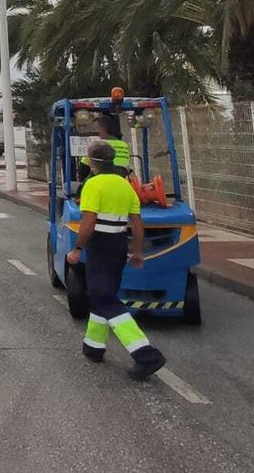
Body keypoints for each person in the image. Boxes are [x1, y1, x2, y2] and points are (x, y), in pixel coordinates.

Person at [67, 140, 166, 380]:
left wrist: (78, 248)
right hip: (119, 245)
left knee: (103, 297)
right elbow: (137, 222)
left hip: (99, 244)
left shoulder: (93, 184)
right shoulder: (125, 185)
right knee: (105, 292)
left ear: (92, 161)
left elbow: (89, 221)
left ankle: (145, 354)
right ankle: (93, 347)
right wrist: (138, 251)